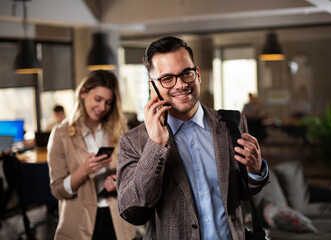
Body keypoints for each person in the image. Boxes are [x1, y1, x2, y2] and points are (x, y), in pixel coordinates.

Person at [116, 36, 270, 239]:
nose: (180, 85)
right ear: (153, 85)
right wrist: (155, 146)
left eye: (186, 73)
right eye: (167, 78)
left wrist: (255, 170)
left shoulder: (231, 123)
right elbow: (131, 210)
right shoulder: (133, 141)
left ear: (197, 74)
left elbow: (240, 193)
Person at [47, 70, 136, 240]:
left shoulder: (119, 130)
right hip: (79, 222)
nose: (102, 108)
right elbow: (58, 190)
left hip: (117, 219)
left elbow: (132, 175)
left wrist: (119, 183)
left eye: (108, 103)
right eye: (98, 99)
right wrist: (84, 170)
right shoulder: (61, 134)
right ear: (83, 93)